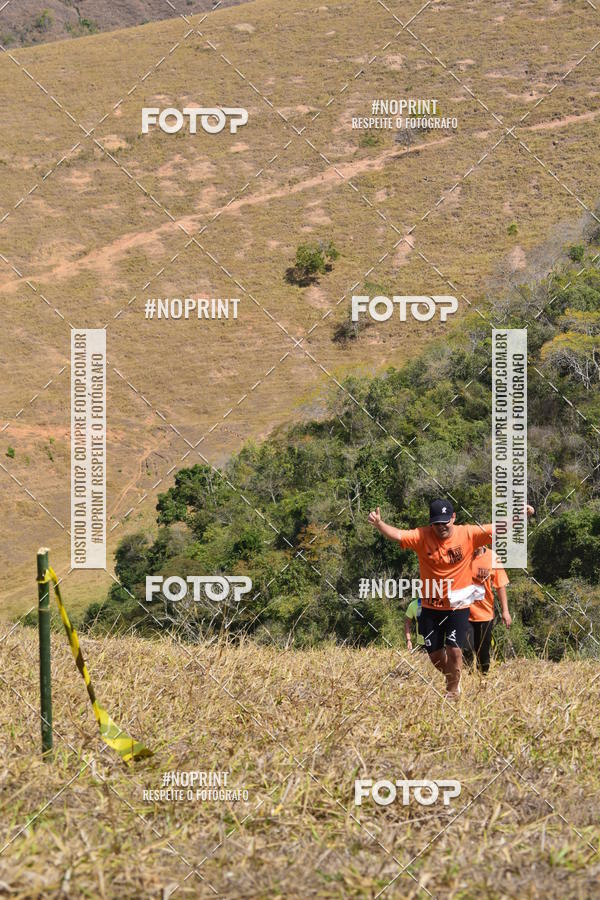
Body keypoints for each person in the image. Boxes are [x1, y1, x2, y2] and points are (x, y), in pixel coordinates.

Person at [368, 499, 493, 700]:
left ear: (453, 518)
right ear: (431, 523)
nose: (441, 527)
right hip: (430, 606)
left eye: (445, 522)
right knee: (435, 655)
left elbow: (498, 528)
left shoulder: (468, 533)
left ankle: (453, 691)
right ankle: (453, 677)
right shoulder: (422, 536)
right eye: (437, 523)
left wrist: (520, 515)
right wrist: (379, 524)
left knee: (454, 650)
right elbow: (398, 534)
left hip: (457, 606)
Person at [464, 546, 511, 676]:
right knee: (466, 649)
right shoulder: (462, 555)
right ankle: (467, 678)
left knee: (483, 653)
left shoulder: (493, 557)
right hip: (464, 612)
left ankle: (483, 678)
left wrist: (505, 611)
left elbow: (500, 586)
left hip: (484, 614)